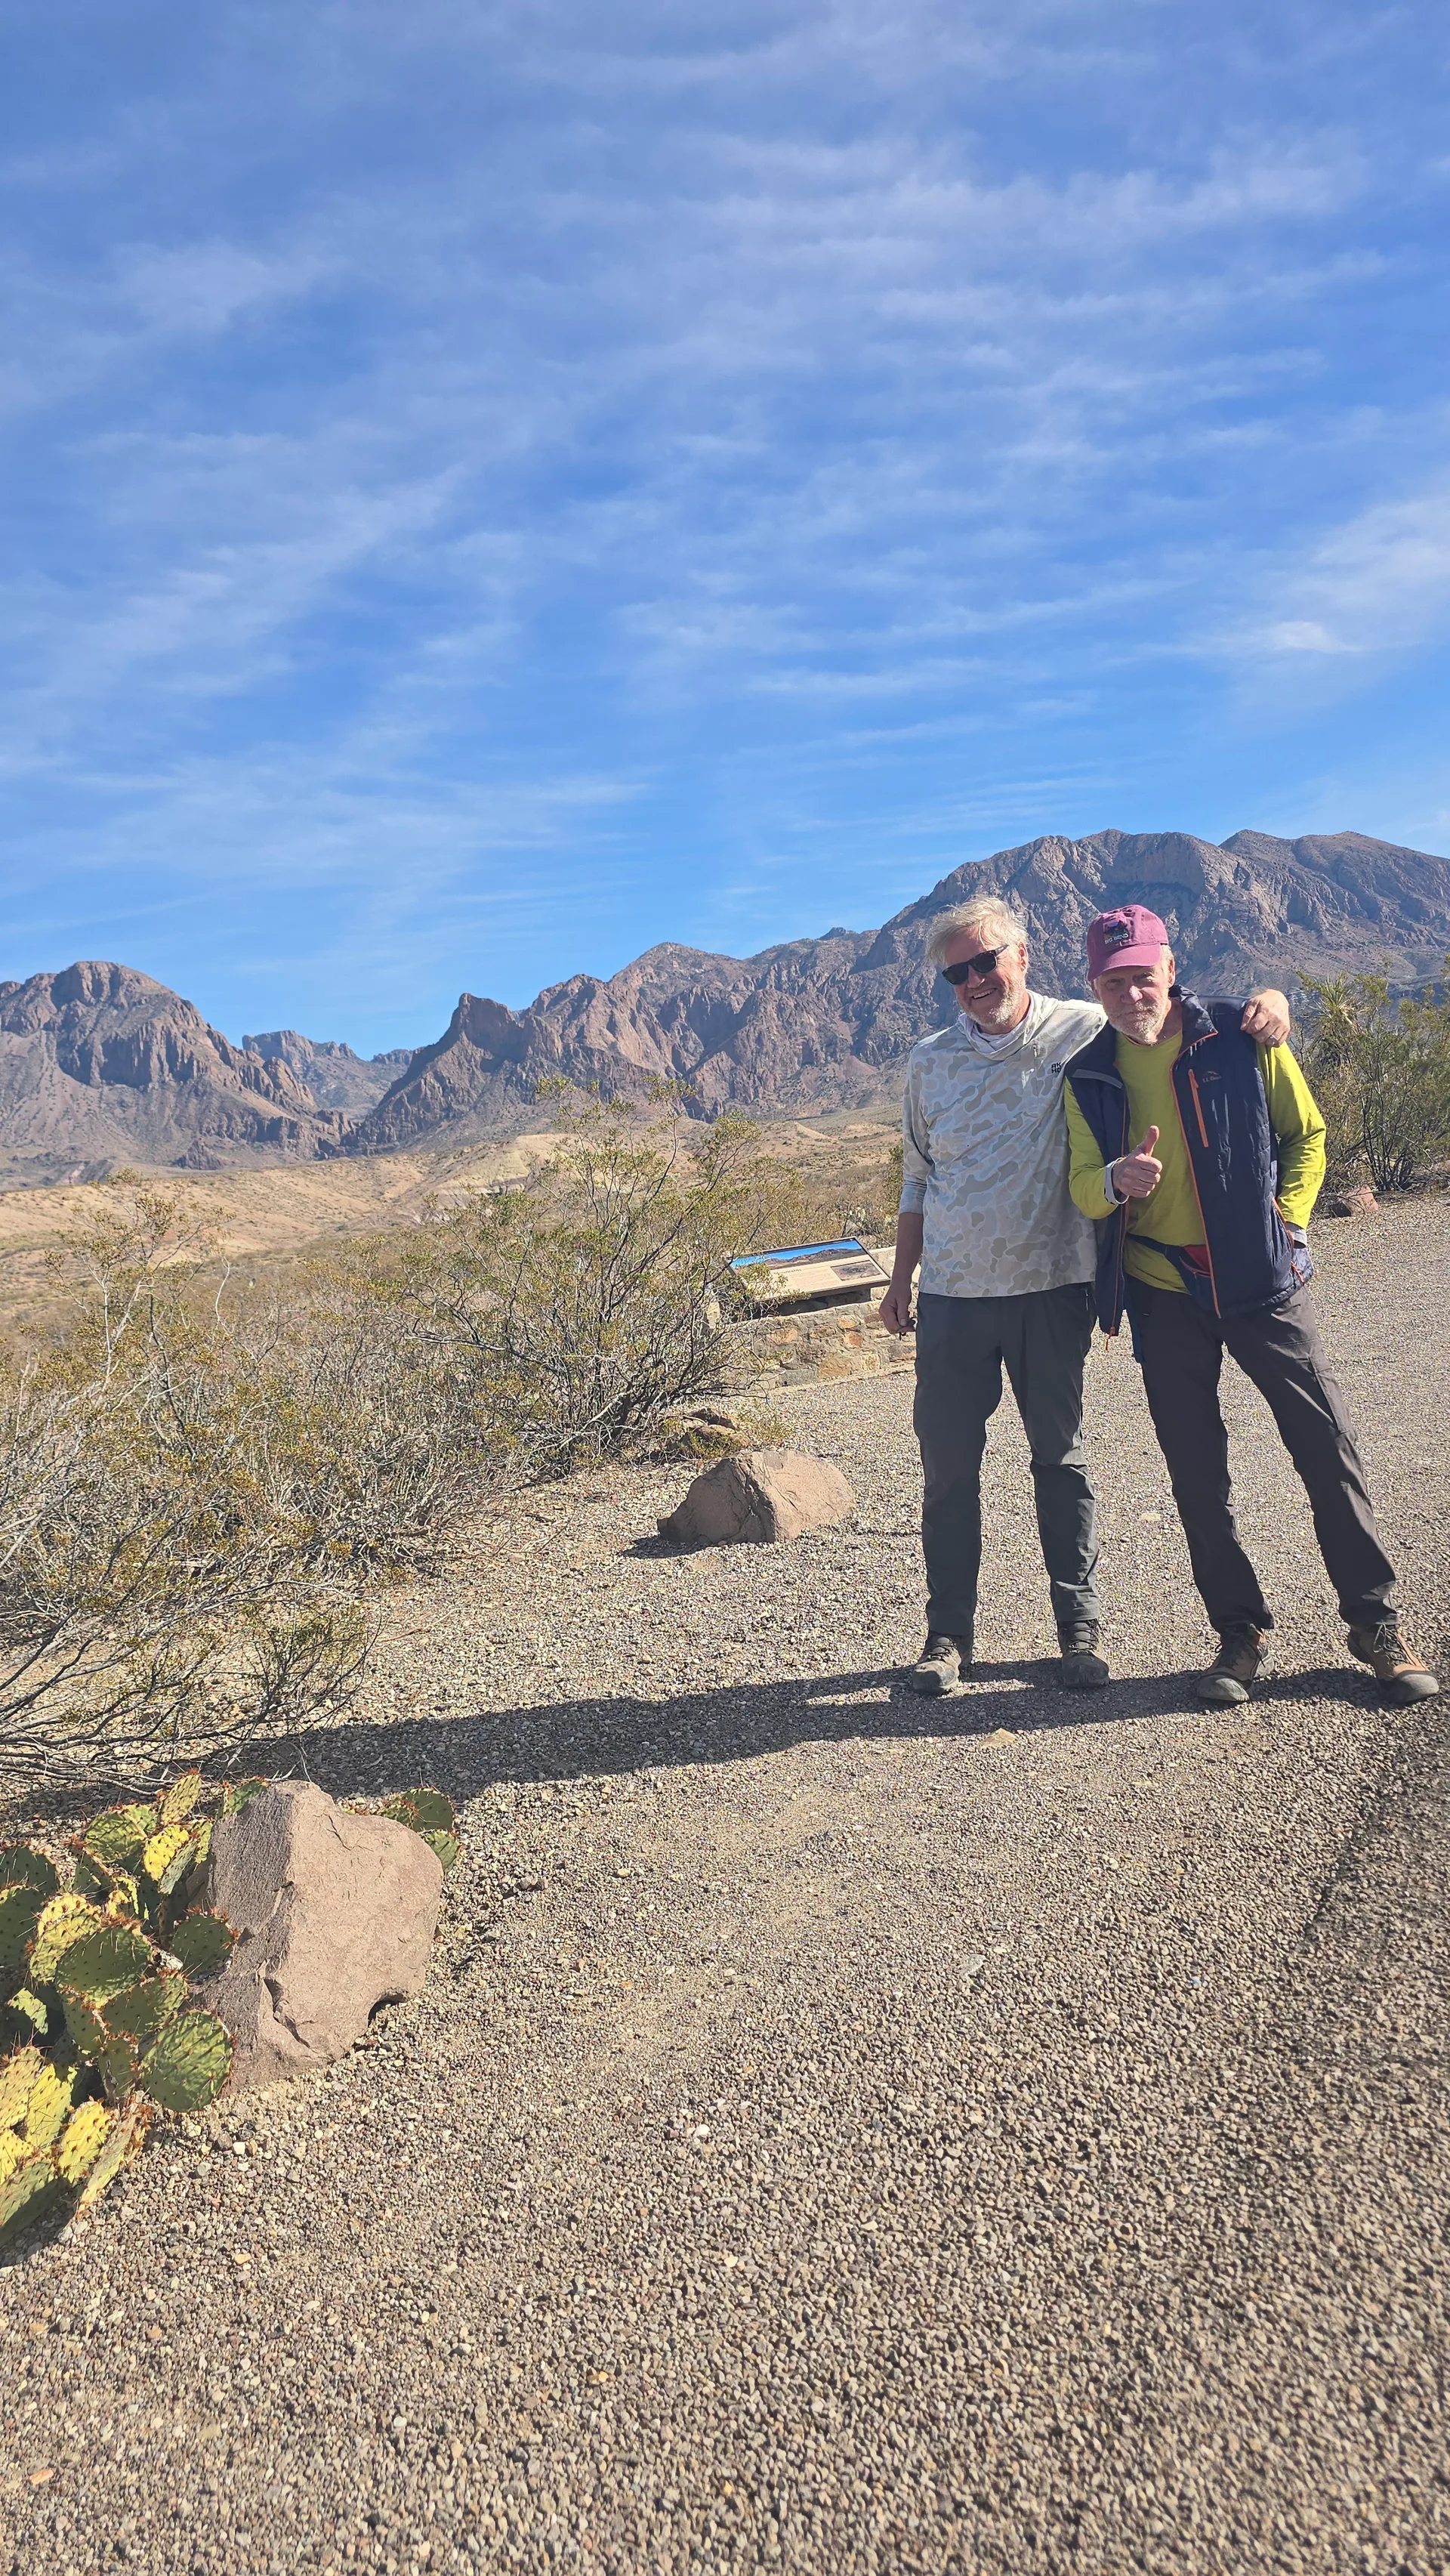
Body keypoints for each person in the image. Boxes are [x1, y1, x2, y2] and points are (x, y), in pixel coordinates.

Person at [878, 896, 1290, 1696]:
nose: (973, 981)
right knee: (948, 1471)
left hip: (1053, 1288)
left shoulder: (1084, 1028)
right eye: (956, 973)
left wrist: (1269, 1004)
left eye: (985, 961)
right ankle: (947, 1636)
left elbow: (1168, 1010)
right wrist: (902, 1279)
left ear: (1022, 956)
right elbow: (917, 1176)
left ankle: (1079, 1630)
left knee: (1059, 1462)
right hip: (955, 1295)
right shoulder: (928, 1061)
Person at [1063, 903, 1439, 1707]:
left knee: (1327, 1447)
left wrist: (1290, 1221)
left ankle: (1376, 1625)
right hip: (1164, 1291)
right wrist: (1113, 1181)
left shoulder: (1240, 1035)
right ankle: (1239, 1631)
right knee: (1197, 1476)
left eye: (1143, 976)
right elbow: (1081, 1185)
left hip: (1263, 1281)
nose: (1132, 994)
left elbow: (1308, 1135)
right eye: (1114, 982)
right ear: (1094, 987)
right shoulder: (1088, 1074)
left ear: (1171, 969)